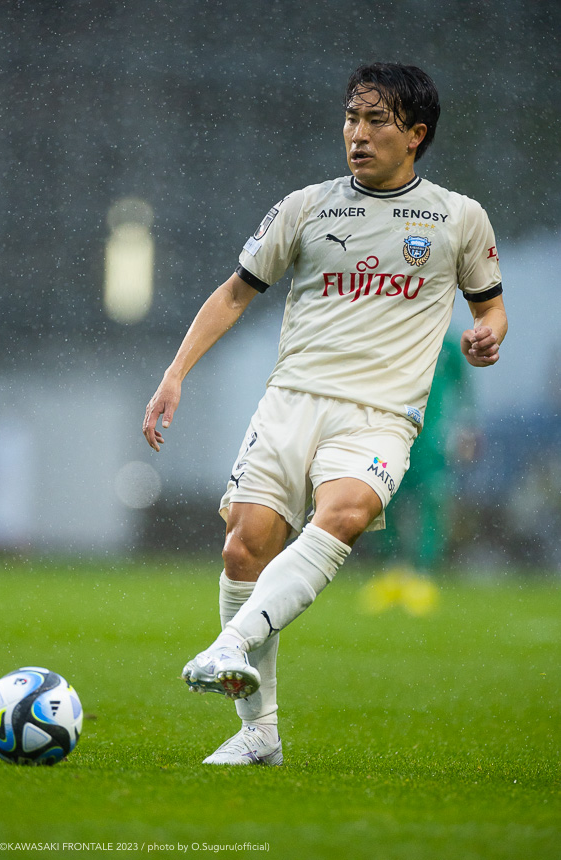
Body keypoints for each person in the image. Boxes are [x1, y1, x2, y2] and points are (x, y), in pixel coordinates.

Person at [143, 62, 508, 766]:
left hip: (380, 413)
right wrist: (174, 373)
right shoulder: (306, 207)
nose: (357, 135)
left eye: (376, 122)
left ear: (415, 135)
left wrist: (487, 333)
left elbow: (489, 306)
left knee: (343, 513)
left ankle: (230, 643)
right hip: (291, 400)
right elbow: (234, 293)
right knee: (243, 547)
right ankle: (259, 734)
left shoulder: (459, 217)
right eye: (351, 119)